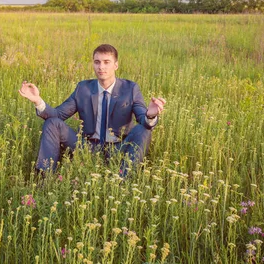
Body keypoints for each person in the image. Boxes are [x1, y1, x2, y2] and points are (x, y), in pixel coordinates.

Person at [18, 44, 166, 177]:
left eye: (106, 62)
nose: (101, 67)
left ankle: (123, 179)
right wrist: (38, 100)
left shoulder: (130, 88)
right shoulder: (83, 88)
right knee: (52, 123)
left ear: (116, 65)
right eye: (97, 62)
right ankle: (45, 177)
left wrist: (150, 115)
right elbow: (58, 115)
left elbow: (143, 119)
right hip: (87, 147)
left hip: (118, 147)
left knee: (144, 130)